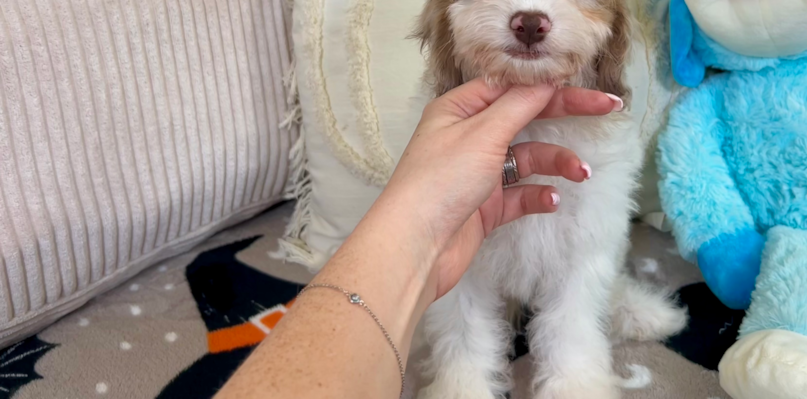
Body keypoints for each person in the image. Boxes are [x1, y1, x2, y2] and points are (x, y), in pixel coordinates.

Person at [216, 80, 619, 399]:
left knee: (589, 254)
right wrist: (416, 235)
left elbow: (589, 255)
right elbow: (458, 272)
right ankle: (460, 370)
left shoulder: (607, 142)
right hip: (447, 286)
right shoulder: (443, 126)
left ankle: (575, 361)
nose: (529, 10)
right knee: (465, 292)